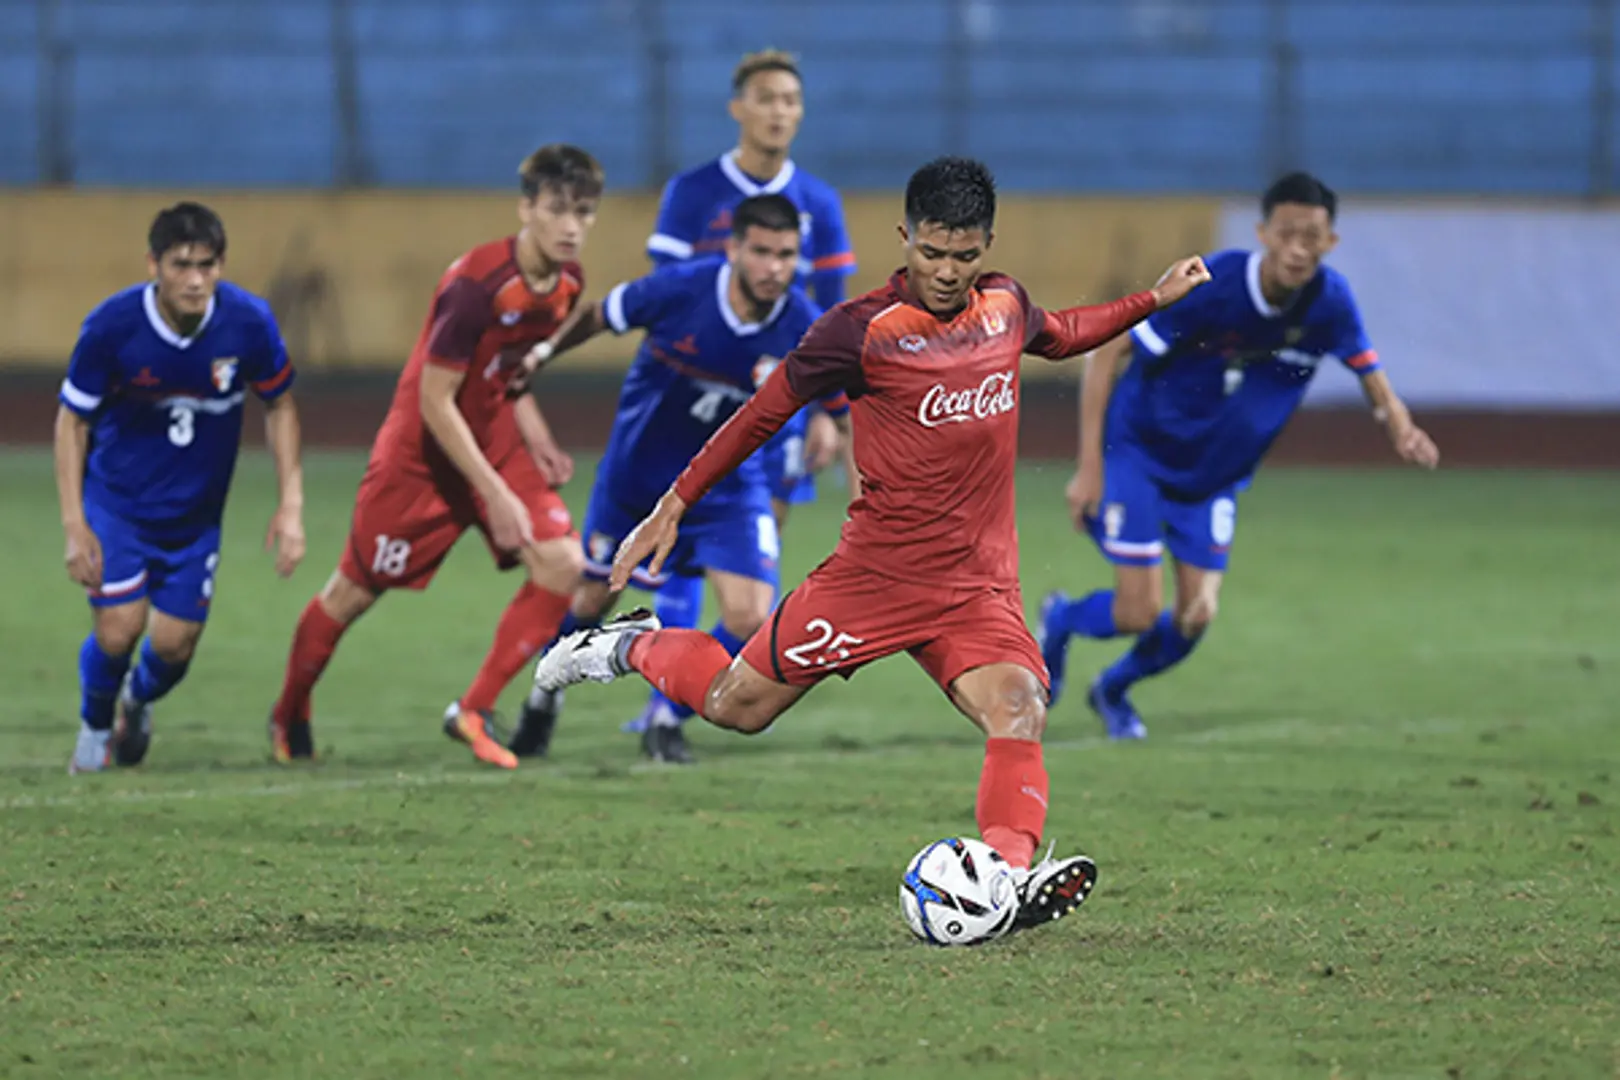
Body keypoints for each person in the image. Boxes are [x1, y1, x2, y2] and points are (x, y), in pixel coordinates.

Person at [532, 156, 1211, 930]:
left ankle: (1007, 880)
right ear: (905, 237)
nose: (949, 272)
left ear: (987, 244)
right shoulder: (857, 332)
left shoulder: (1005, 304)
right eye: (931, 253)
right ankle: (633, 646)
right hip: (874, 578)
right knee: (735, 708)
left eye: (964, 255)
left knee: (1020, 710)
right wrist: (674, 503)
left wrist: (1154, 299)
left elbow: (1061, 335)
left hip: (974, 587)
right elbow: (762, 414)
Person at [1037, 172, 1441, 740]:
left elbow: (1369, 372)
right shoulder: (1213, 282)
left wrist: (1399, 425)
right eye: (1287, 232)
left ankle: (1113, 690)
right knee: (1138, 612)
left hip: (1214, 478)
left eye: (1313, 236)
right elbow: (1109, 352)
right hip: (1141, 455)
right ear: (1263, 233)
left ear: (1332, 242)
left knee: (1196, 614)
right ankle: (1062, 619)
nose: (1299, 247)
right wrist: (1090, 466)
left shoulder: (1330, 302)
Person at [266, 145, 602, 769]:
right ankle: (290, 709)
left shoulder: (566, 284)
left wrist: (538, 435)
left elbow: (508, 372)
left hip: (493, 438)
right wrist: (495, 494)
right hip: (421, 454)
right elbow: (434, 400)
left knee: (563, 565)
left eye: (584, 212)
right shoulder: (474, 287)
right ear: (526, 208)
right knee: (353, 593)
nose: (572, 226)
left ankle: (471, 710)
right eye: (557, 210)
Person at [507, 193, 848, 765]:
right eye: (761, 252)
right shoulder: (681, 290)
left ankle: (668, 716)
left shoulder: (802, 326)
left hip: (730, 490)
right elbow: (599, 314)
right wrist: (541, 353)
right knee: (592, 597)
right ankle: (544, 696)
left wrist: (825, 424)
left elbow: (842, 401)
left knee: (750, 615)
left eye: (786, 255)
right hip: (638, 480)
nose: (774, 268)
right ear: (734, 249)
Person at [625, 48, 859, 743]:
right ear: (739, 108)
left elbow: (832, 316)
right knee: (678, 541)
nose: (779, 111)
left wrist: (825, 411)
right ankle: (664, 695)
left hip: (780, 405)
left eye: (790, 99)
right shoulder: (694, 192)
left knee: (751, 563)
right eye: (766, 98)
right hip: (691, 401)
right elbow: (670, 299)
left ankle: (670, 700)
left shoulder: (818, 202)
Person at [56, 202, 305, 773]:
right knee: (119, 628)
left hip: (195, 519)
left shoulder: (247, 323)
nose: (195, 279)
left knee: (174, 647)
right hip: (117, 506)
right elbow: (72, 421)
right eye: (181, 265)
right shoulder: (112, 328)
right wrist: (75, 523)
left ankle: (135, 704)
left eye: (208, 265)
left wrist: (291, 503)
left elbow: (280, 403)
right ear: (154, 264)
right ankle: (95, 730)